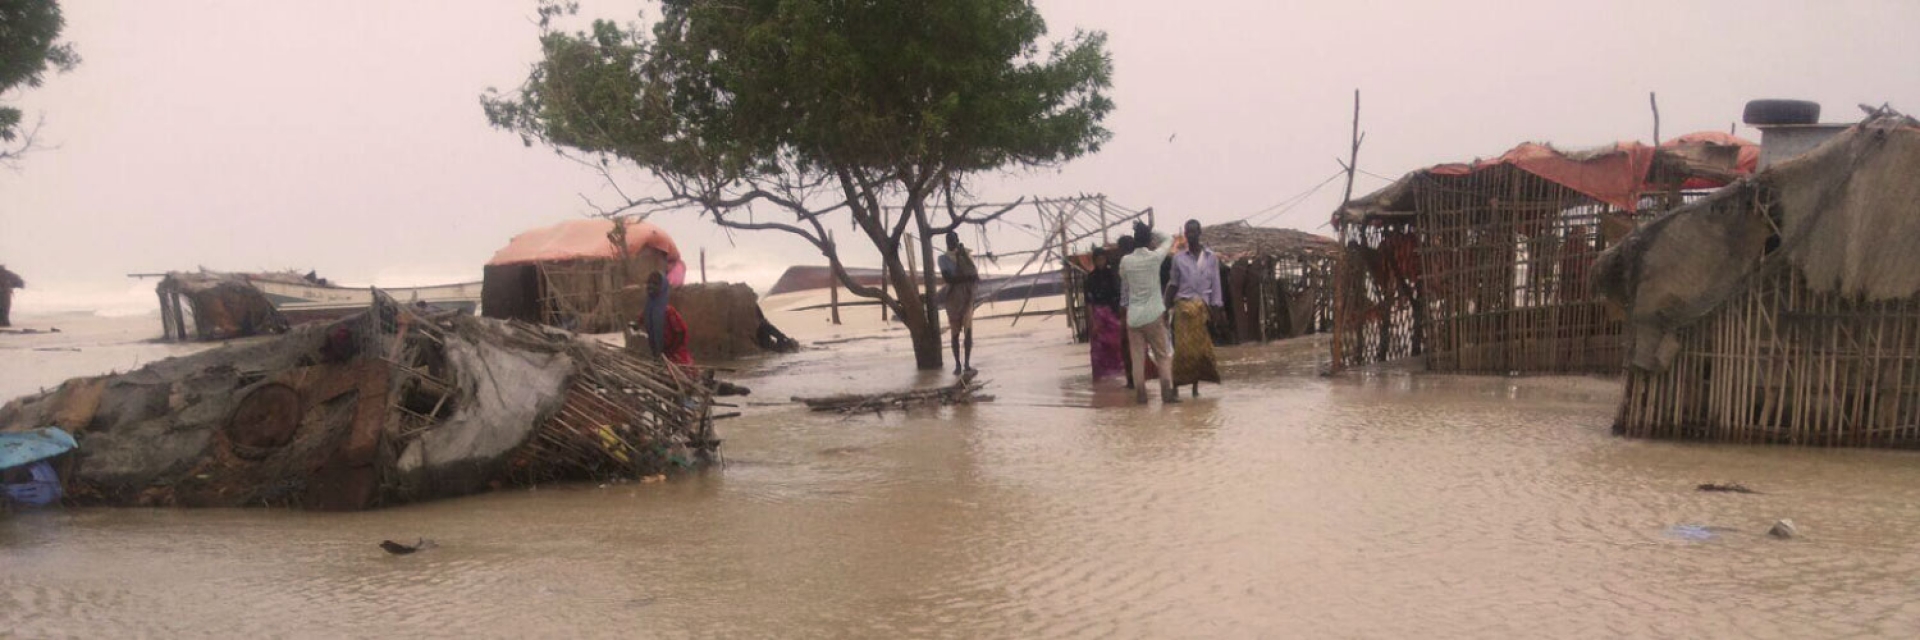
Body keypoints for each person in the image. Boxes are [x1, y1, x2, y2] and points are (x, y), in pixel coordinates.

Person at [1119, 221, 1179, 404]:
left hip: (1134, 317)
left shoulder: (1125, 261)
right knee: (1162, 356)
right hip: (1154, 314)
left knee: (1137, 359)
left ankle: (1141, 396)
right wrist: (1151, 229)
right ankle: (1167, 395)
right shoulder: (1155, 258)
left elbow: (1124, 278)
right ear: (1148, 239)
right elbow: (1169, 239)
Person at [1168, 220, 1225, 397]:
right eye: (1188, 232)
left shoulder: (1211, 258)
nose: (1190, 235)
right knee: (1182, 350)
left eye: (1193, 232)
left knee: (1200, 351)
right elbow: (1173, 284)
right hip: (1183, 309)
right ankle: (1176, 386)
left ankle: (1195, 387)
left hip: (1202, 309)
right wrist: (1164, 307)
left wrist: (1217, 310)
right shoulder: (1178, 258)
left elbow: (1216, 285)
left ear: (1199, 233)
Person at [937, 232, 980, 376]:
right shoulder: (943, 259)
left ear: (957, 240)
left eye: (953, 240)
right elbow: (948, 279)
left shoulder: (966, 255)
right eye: (948, 240)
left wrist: (966, 275)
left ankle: (967, 364)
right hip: (953, 299)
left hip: (967, 297)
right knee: (955, 333)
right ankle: (958, 365)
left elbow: (974, 275)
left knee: (968, 330)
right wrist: (966, 277)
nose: (950, 242)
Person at [1083, 244, 1127, 382]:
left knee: (1116, 345)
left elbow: (1119, 296)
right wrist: (1092, 322)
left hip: (1112, 315)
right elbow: (1089, 302)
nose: (1100, 262)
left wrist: (1120, 316)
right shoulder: (1090, 278)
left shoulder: (1112, 275)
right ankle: (1100, 380)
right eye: (1098, 260)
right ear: (1094, 261)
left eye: (1102, 259)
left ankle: (1118, 377)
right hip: (1098, 316)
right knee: (1099, 350)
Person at [639, 272, 694, 370]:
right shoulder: (648, 310)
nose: (651, 286)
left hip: (675, 359)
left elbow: (681, 333)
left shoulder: (669, 311)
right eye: (649, 283)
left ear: (663, 288)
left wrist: (669, 353)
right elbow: (641, 323)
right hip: (658, 355)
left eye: (656, 284)